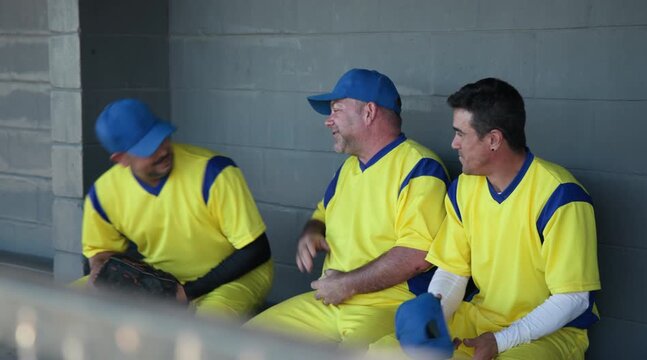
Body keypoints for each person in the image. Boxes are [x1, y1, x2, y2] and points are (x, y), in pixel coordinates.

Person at [394, 78, 601, 359]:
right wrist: (435, 315)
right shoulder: (464, 187)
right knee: (386, 351)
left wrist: (502, 340)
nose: (453, 143)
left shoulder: (561, 195)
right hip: (480, 318)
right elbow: (454, 270)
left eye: (460, 133)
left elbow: (573, 299)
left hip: (550, 334)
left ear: (493, 139)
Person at [244, 69, 450, 348]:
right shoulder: (348, 169)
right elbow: (322, 214)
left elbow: (416, 255)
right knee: (237, 342)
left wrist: (347, 284)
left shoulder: (420, 167)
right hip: (331, 301)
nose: (328, 121)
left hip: (388, 305)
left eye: (336, 110)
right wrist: (312, 231)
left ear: (368, 112)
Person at [78, 98, 273, 319]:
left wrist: (187, 292)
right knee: (72, 304)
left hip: (237, 277)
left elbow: (257, 249)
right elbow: (99, 253)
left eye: (161, 138)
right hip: (161, 279)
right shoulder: (103, 193)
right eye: (148, 148)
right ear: (121, 159)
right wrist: (100, 272)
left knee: (204, 330)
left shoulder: (214, 171)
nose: (162, 150)